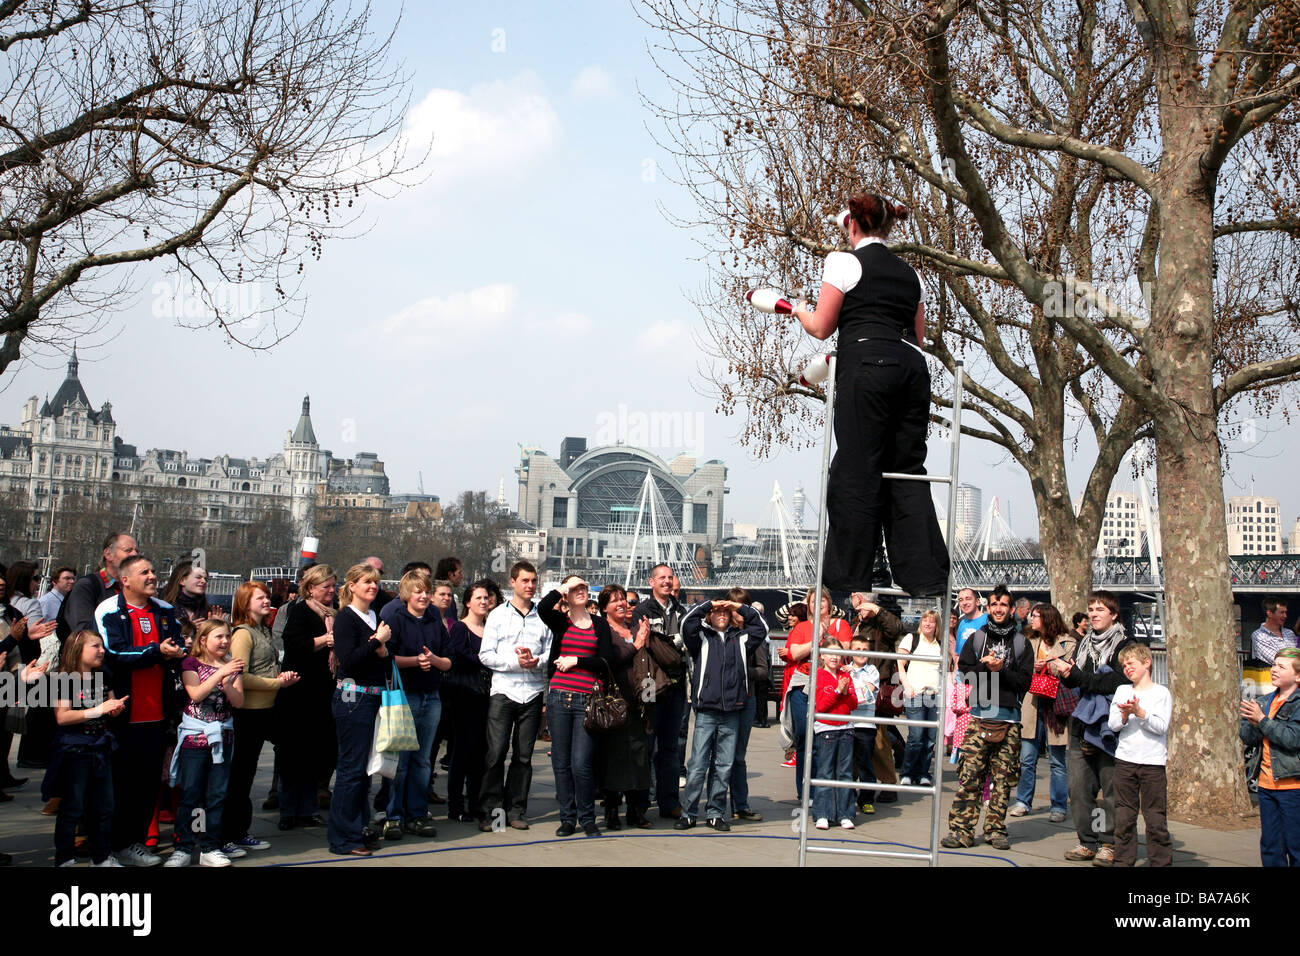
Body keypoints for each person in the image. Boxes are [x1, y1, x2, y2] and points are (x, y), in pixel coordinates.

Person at [791, 193, 948, 597]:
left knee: (857, 469)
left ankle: (848, 580)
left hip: (867, 365)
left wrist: (797, 309)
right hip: (912, 370)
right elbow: (919, 335)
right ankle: (924, 575)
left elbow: (822, 326)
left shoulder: (842, 261)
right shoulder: (911, 273)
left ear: (853, 226)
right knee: (907, 468)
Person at [93, 555, 187, 867]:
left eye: (153, 570)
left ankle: (131, 844)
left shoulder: (164, 610)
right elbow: (115, 652)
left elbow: (177, 646)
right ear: (126, 580)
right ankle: (108, 848)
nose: (152, 576)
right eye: (144, 572)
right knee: (118, 786)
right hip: (123, 715)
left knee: (147, 786)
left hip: (158, 714)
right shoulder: (109, 609)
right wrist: (156, 651)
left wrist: (175, 652)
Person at [940, 585, 1033, 850]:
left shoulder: (1021, 643)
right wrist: (985, 666)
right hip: (979, 717)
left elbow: (1025, 682)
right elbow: (965, 673)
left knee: (1002, 782)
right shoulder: (977, 639)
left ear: (1011, 609)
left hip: (1009, 719)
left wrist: (1001, 669)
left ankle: (995, 829)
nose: (999, 608)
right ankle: (961, 830)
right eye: (994, 604)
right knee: (970, 777)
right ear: (989, 607)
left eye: (1004, 604)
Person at [1049, 589, 1135, 866]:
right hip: (1081, 724)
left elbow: (1115, 683)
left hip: (1110, 728)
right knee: (1079, 788)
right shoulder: (1084, 643)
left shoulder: (1125, 645)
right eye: (1091, 609)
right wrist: (1066, 673)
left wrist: (1078, 676)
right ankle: (1088, 841)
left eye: (1100, 610)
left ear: (1113, 614)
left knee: (1110, 789)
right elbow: (1081, 682)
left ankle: (1109, 843)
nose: (1094, 614)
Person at [675, 597, 766, 831]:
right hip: (707, 710)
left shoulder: (742, 639)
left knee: (724, 765)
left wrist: (739, 607)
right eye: (718, 612)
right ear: (710, 616)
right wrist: (709, 604)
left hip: (733, 710)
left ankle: (715, 812)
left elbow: (761, 628)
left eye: (726, 612)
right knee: (697, 765)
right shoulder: (701, 639)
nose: (722, 615)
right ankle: (689, 813)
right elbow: (686, 623)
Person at [221, 582, 299, 854]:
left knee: (248, 773)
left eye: (267, 596)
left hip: (266, 709)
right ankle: (229, 834)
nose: (267, 601)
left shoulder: (263, 630)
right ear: (245, 602)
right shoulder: (243, 634)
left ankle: (239, 831)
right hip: (248, 713)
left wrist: (279, 678)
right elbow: (238, 675)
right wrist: (276, 683)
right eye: (260, 597)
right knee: (240, 775)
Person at [537, 576, 615, 837]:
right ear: (567, 595)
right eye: (575, 588)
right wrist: (563, 587)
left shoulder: (599, 625)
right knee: (561, 762)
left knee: (581, 763)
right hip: (559, 697)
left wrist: (576, 660)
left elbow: (606, 661)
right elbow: (543, 608)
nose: (580, 591)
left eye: (583, 587)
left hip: (587, 700)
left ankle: (587, 817)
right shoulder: (561, 621)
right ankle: (567, 818)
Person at [477, 560, 551, 832]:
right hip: (503, 692)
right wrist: (515, 662)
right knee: (496, 754)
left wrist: (537, 662)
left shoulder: (543, 616)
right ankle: (490, 811)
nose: (530, 586)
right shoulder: (497, 615)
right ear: (513, 582)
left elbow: (549, 654)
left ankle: (516, 809)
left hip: (531, 693)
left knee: (524, 757)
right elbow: (485, 655)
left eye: (533, 581)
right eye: (525, 581)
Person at [165, 619, 244, 867]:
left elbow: (238, 702)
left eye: (227, 637)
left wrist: (229, 683)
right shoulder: (191, 663)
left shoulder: (233, 666)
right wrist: (219, 674)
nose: (224, 641)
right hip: (195, 737)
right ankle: (183, 846)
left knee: (216, 794)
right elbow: (196, 694)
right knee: (191, 793)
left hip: (223, 735)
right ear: (203, 640)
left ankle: (210, 846)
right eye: (218, 637)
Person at [381, 569, 451, 839]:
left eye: (427, 591)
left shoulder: (435, 618)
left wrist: (433, 660)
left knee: (422, 760)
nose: (424, 596)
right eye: (418, 591)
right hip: (404, 695)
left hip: (431, 694)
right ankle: (393, 815)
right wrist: (414, 661)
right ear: (407, 594)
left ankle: (417, 814)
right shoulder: (394, 617)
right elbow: (385, 656)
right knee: (400, 760)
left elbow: (448, 660)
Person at [328, 564, 392, 856]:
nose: (372, 586)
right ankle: (343, 837)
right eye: (366, 582)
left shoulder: (374, 617)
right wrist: (377, 643)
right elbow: (348, 660)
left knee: (365, 770)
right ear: (351, 585)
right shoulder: (345, 618)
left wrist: (382, 649)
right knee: (351, 770)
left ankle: (359, 828)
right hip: (353, 699)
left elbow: (381, 659)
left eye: (375, 582)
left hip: (373, 698)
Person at [48, 630, 127, 867]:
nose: (101, 651)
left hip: (101, 747)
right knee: (72, 808)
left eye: (102, 646)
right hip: (75, 750)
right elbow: (62, 717)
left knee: (104, 807)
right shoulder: (63, 677)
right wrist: (99, 710)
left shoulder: (102, 675)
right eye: (95, 646)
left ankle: (101, 857)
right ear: (78, 649)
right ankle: (64, 858)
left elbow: (110, 704)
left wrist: (115, 709)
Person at [275, 563, 337, 830]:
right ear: (310, 589)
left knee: (315, 754)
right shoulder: (300, 612)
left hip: (322, 691)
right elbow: (294, 646)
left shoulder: (332, 615)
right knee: (293, 755)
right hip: (299, 692)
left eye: (334, 586)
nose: (332, 592)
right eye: (327, 587)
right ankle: (289, 809)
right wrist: (325, 640)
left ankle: (308, 807)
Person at [595, 584, 663, 830]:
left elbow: (649, 667)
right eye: (614, 601)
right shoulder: (603, 631)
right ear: (604, 608)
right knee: (613, 758)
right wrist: (636, 644)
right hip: (614, 703)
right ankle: (612, 811)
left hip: (639, 702)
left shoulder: (636, 628)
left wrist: (649, 699)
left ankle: (636, 811)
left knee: (639, 757)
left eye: (623, 599)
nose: (622, 604)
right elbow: (609, 662)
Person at [780, 587, 854, 799]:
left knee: (829, 740)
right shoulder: (803, 626)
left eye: (822, 601)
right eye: (813, 602)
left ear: (829, 604)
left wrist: (824, 635)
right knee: (805, 740)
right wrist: (818, 637)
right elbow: (794, 653)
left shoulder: (841, 625)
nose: (817, 605)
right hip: (804, 687)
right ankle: (806, 792)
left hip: (830, 686)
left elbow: (844, 651)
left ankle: (828, 791)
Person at [630, 564, 688, 819]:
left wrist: (665, 642)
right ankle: (640, 804)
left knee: (670, 748)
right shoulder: (642, 610)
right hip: (650, 686)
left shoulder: (681, 611)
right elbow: (644, 644)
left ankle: (669, 802)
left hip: (675, 686)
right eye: (661, 578)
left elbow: (685, 646)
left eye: (670, 578)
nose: (666, 582)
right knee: (645, 745)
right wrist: (671, 644)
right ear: (651, 582)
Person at [1009, 603, 1076, 822]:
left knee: (1057, 759)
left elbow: (1070, 670)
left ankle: (1058, 805)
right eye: (1030, 616)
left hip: (1055, 705)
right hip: (1032, 703)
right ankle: (1023, 801)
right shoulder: (1028, 641)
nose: (1031, 619)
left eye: (1035, 616)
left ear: (1047, 618)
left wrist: (1048, 667)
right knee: (1027, 757)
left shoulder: (1068, 641)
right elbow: (1019, 667)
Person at [1109, 643, 1172, 867]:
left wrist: (1140, 713)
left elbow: (1161, 726)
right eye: (1124, 665)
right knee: (1124, 816)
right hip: (1126, 761)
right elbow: (1113, 724)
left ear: (1147, 663)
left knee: (1155, 818)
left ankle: (1160, 862)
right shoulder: (1122, 691)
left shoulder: (1161, 693)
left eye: (1131, 664)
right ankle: (1123, 860)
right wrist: (1125, 715)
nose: (1127, 668)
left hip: (1152, 764)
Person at [1240, 647, 1300, 866]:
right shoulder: (1264, 700)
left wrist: (1262, 721)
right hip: (1267, 786)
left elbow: (1293, 739)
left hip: (1293, 788)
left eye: (1281, 667)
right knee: (1270, 847)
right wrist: (1253, 720)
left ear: (1298, 675)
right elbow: (1246, 735)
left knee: (1296, 846)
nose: (1274, 670)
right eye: (1274, 664)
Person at [443, 581, 494, 822]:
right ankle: (455, 805)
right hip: (464, 696)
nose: (484, 602)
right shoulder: (460, 628)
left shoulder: (490, 628)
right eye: (479, 598)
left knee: (480, 753)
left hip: (486, 696)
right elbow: (459, 657)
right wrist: (485, 659)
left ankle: (475, 801)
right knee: (462, 751)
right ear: (467, 602)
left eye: (486, 598)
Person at [811, 638, 858, 830]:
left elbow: (854, 704)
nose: (834, 657)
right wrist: (838, 691)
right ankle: (823, 813)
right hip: (826, 730)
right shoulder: (819, 675)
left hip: (845, 728)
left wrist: (845, 691)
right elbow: (821, 706)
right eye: (830, 653)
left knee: (845, 773)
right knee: (825, 771)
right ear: (822, 655)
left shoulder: (845, 675)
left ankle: (845, 813)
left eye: (837, 653)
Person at [57, 532, 138, 640]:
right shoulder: (87, 586)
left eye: (137, 551)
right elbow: (84, 631)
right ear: (108, 554)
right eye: (128, 550)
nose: (135, 554)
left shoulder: (133, 589)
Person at [897, 609, 943, 787]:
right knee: (916, 736)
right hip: (915, 692)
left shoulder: (940, 643)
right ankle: (907, 772)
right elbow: (900, 663)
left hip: (934, 694)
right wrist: (906, 685)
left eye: (931, 621)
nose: (927, 624)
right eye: (925, 620)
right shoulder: (911, 639)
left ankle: (923, 772)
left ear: (936, 625)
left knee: (930, 737)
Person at [847, 636, 880, 814]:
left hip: (866, 725)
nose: (861, 653)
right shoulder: (845, 669)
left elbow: (867, 694)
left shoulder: (872, 670)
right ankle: (848, 796)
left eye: (864, 650)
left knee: (865, 763)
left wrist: (854, 681)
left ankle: (867, 799)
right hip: (848, 723)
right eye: (857, 650)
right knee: (847, 764)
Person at [161, 561, 221, 625]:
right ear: (182, 581)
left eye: (206, 579)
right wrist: (188, 629)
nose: (204, 581)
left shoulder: (207, 611)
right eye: (198, 577)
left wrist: (215, 626)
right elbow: (162, 629)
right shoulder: (165, 608)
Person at [1252, 599, 1298, 665]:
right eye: (1282, 612)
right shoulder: (1259, 636)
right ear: (1269, 613)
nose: (1285, 616)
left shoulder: (1289, 633)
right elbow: (1277, 660)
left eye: (1285, 612)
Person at [954, 588, 986, 656]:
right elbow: (958, 655)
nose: (964, 603)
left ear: (977, 602)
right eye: (961, 600)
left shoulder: (987, 620)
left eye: (968, 599)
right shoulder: (962, 623)